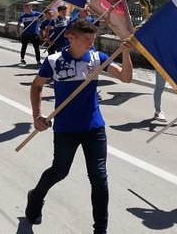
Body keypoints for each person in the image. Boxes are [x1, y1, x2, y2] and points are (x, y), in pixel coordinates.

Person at [25, 20, 133, 233]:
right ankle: (35, 196)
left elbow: (126, 78)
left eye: (93, 40)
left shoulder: (97, 58)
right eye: (86, 40)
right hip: (66, 129)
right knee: (59, 171)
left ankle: (100, 229)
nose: (90, 44)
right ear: (70, 37)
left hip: (94, 127)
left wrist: (126, 54)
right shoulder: (54, 61)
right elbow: (36, 86)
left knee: (99, 178)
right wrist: (37, 115)